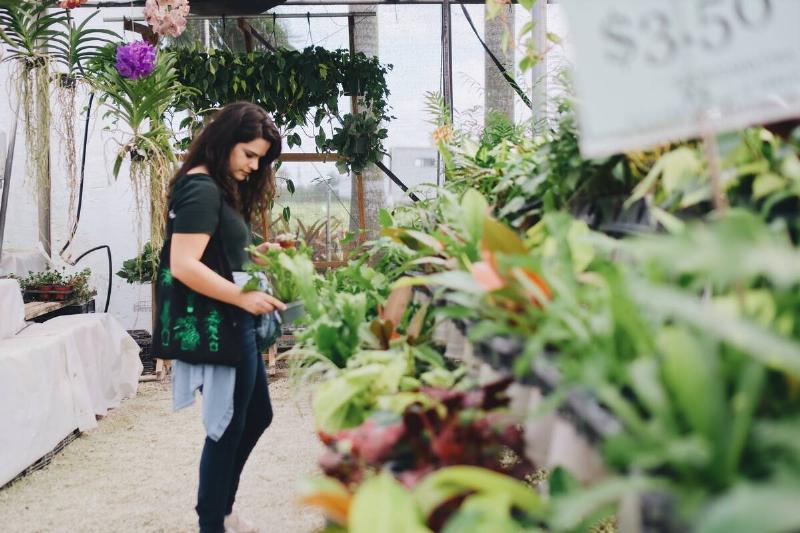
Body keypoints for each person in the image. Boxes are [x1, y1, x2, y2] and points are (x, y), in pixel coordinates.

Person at [165, 101, 286, 533]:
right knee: (228, 426)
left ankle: (224, 510)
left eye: (261, 159)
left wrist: (259, 254)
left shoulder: (217, 187)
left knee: (256, 416)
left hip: (238, 320)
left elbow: (219, 251)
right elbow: (183, 264)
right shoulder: (200, 187)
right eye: (249, 154)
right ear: (225, 141)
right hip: (229, 319)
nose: (254, 166)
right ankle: (211, 522)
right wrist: (243, 297)